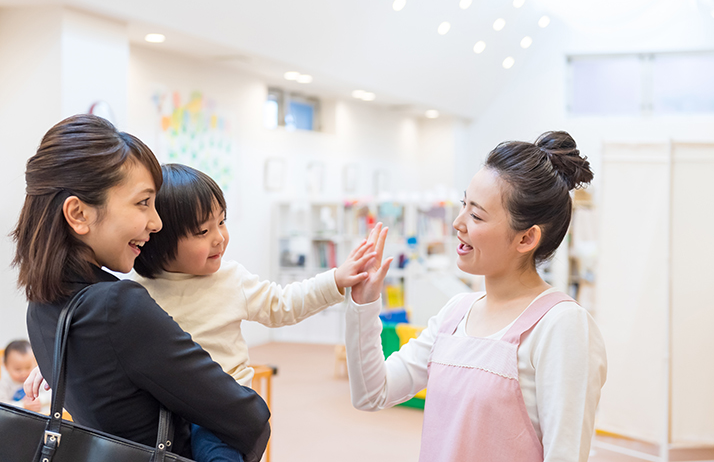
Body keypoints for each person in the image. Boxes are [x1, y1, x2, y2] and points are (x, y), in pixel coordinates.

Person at [15, 114, 270, 461]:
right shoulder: (117, 306)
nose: (157, 222)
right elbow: (246, 416)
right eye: (143, 203)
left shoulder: (42, 307)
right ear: (78, 214)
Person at [346, 131, 608, 462]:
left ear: (526, 238)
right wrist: (364, 303)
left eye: (477, 215)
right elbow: (372, 393)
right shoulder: (456, 313)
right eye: (464, 205)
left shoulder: (562, 326)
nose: (458, 223)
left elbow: (565, 454)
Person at [130, 163, 376, 461]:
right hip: (165, 410)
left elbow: (283, 304)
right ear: (159, 239)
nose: (219, 237)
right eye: (203, 231)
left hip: (220, 409)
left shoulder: (231, 279)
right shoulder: (139, 290)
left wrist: (335, 280)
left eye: (222, 222)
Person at [0, 340, 49, 413]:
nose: (23, 373)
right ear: (6, 366)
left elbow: (52, 394)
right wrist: (23, 405)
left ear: (35, 363)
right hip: (15, 419)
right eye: (18, 369)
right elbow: (2, 405)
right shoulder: (4, 384)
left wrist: (40, 400)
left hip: (41, 417)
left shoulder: (37, 378)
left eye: (28, 367)